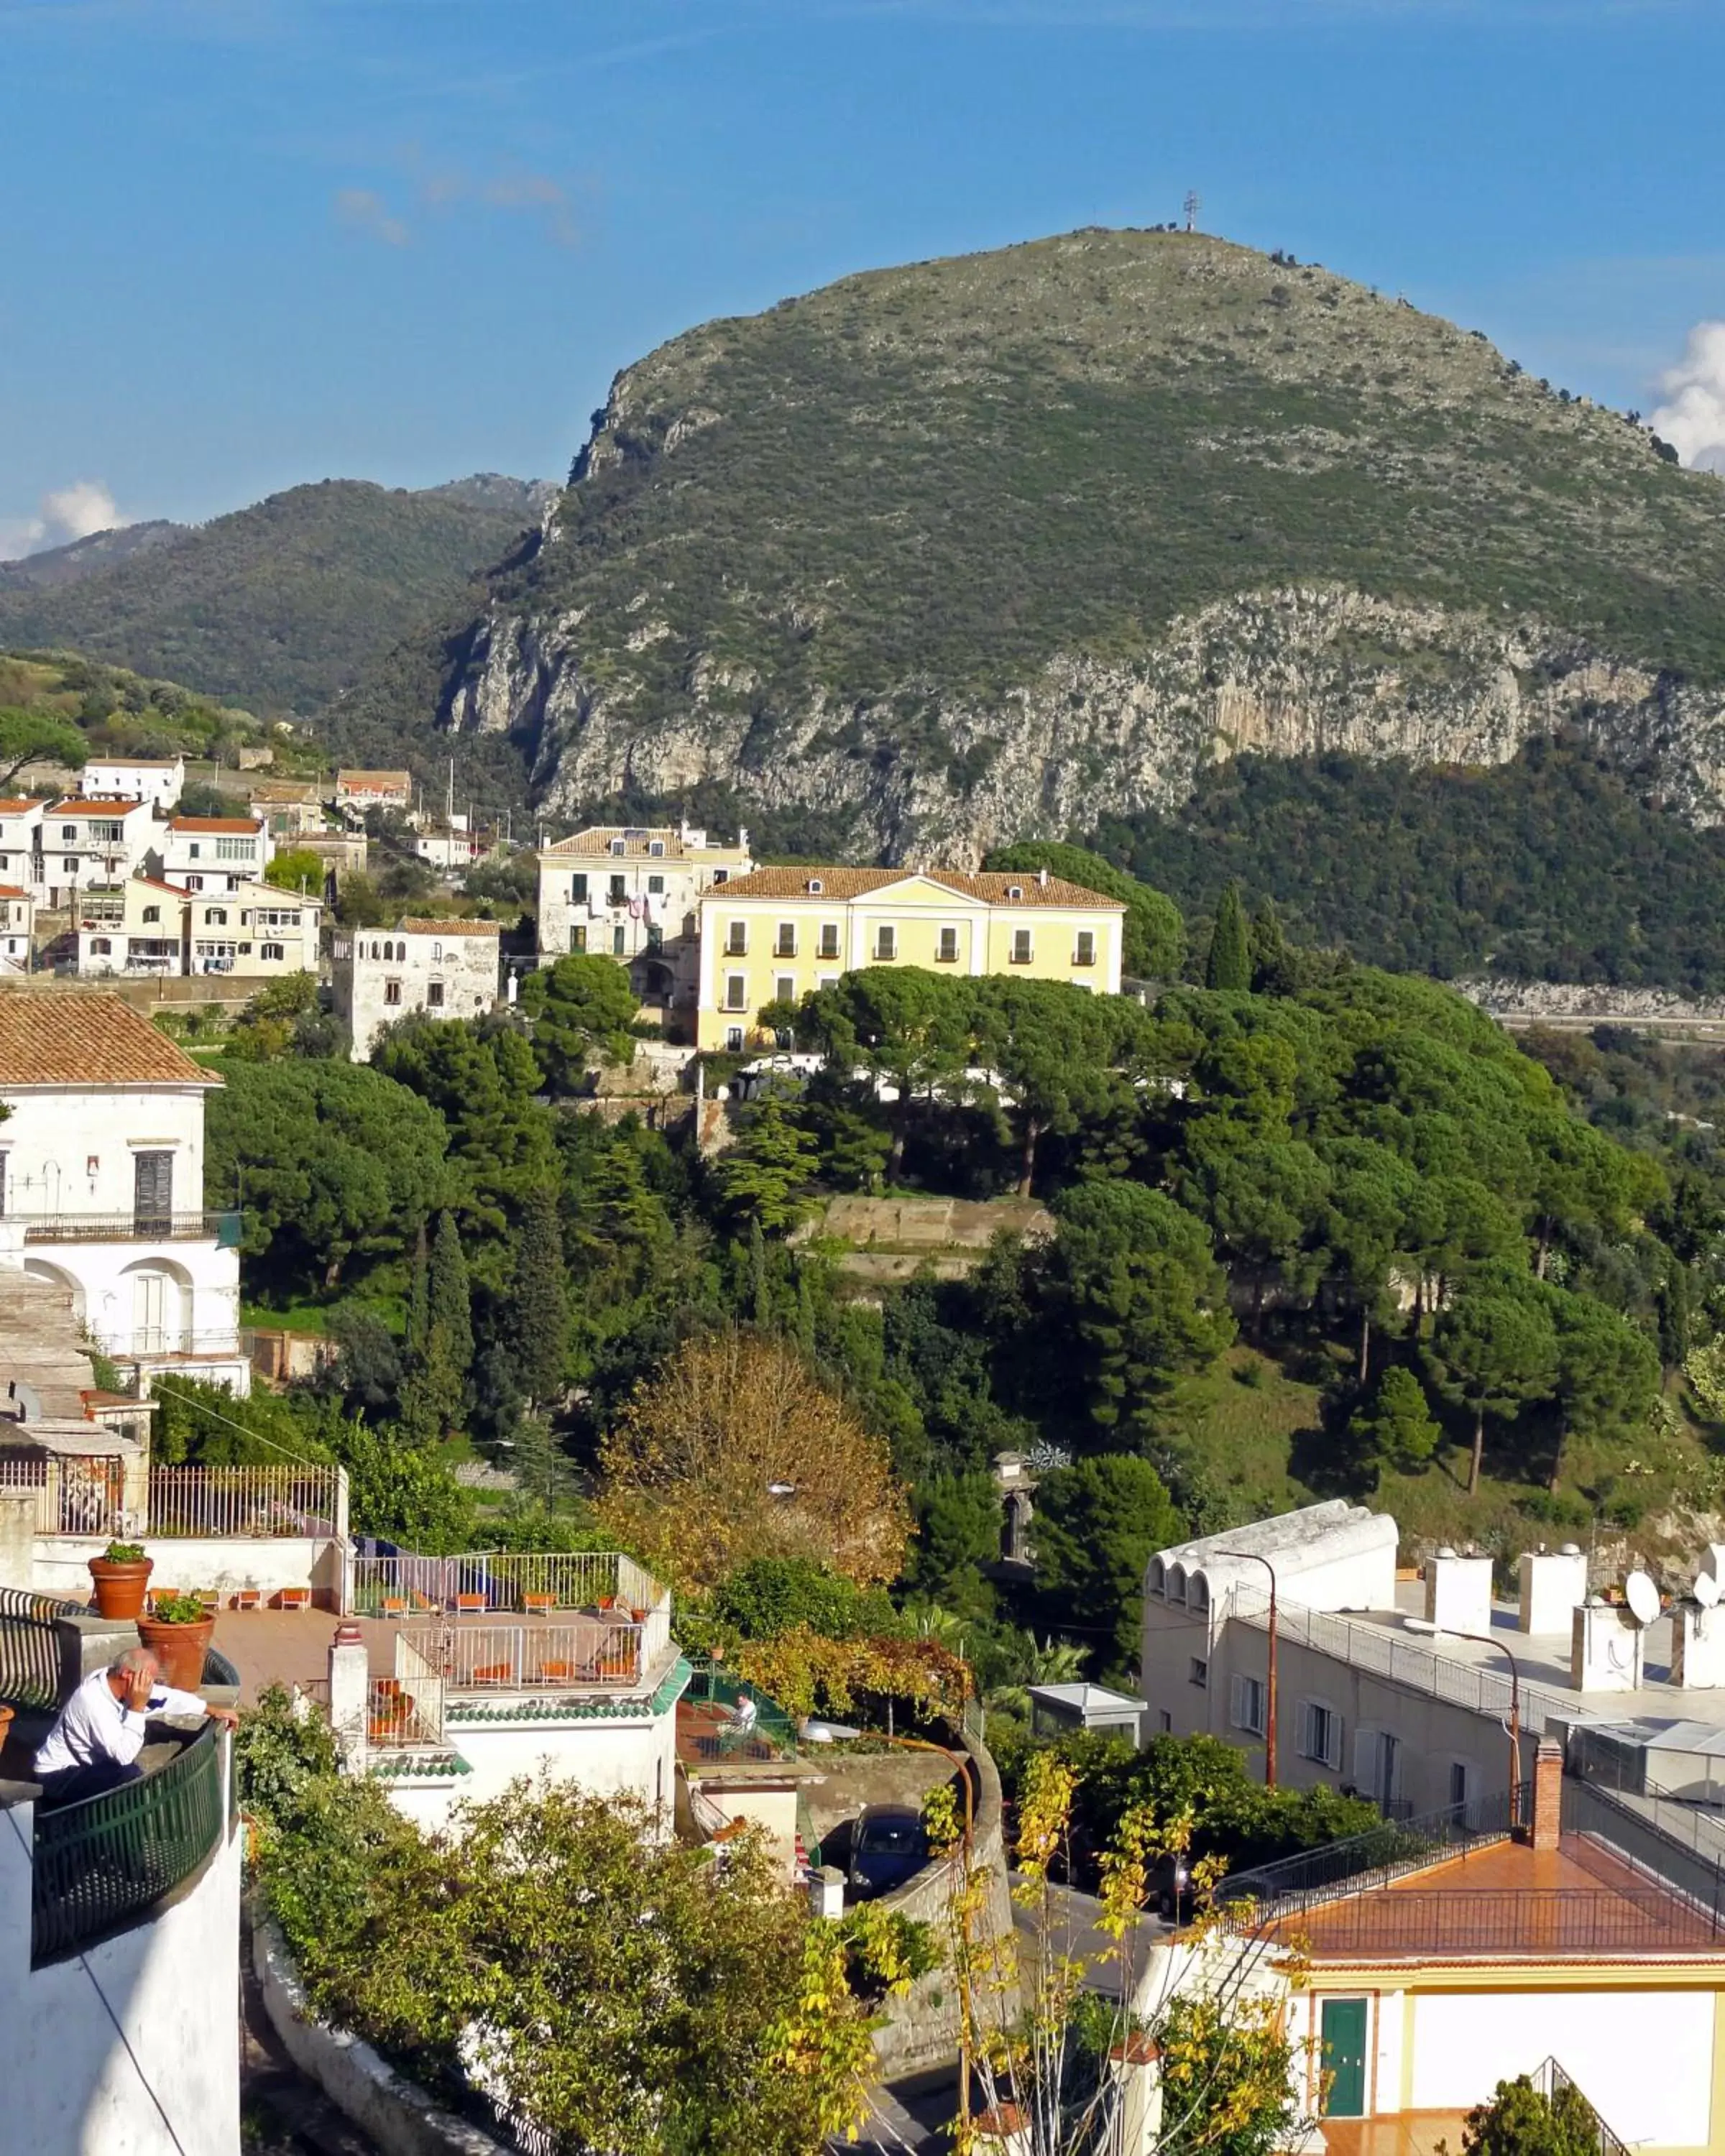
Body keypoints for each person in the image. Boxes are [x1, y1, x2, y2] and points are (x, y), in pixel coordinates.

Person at [34, 1646, 239, 1807]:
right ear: (127, 1675)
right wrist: (138, 1707)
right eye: (148, 1679)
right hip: (57, 1776)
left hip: (87, 1765)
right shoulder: (92, 1701)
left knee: (130, 1775)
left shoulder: (117, 1683)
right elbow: (124, 1755)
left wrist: (211, 1710)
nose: (151, 1686)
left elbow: (167, 1698)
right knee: (129, 1776)